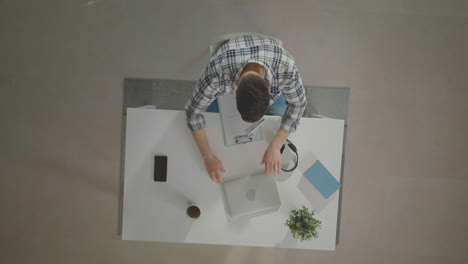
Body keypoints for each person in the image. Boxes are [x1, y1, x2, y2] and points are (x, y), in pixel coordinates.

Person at [184, 35, 306, 184]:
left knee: (278, 119)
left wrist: (276, 145)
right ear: (235, 91)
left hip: (274, 71)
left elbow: (298, 105)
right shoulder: (217, 72)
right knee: (212, 121)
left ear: (268, 91)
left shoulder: (286, 67)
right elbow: (192, 113)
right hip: (227, 70)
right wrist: (207, 156)